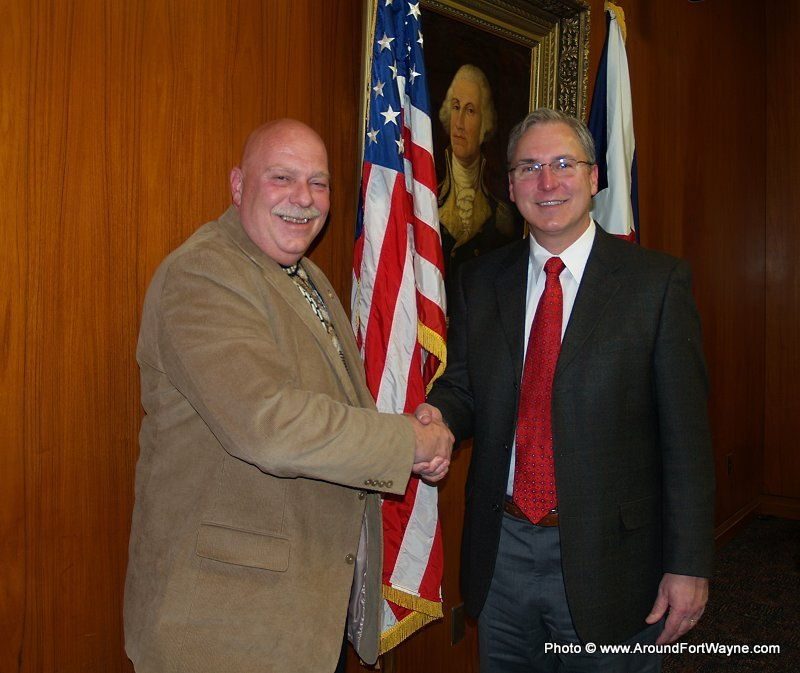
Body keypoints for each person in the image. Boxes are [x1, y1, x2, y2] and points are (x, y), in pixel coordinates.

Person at [124, 119, 453, 673]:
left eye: (318, 183)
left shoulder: (305, 276)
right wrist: (407, 443)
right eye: (282, 177)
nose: (304, 198)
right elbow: (269, 425)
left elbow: (334, 409)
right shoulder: (203, 275)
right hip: (223, 629)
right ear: (238, 185)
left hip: (297, 616)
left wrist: (409, 430)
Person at [418, 108, 714, 672]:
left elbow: (688, 441)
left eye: (563, 164)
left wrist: (689, 563)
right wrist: (440, 417)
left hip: (613, 558)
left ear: (593, 177)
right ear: (510, 187)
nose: (547, 182)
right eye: (528, 168)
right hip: (502, 549)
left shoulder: (655, 285)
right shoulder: (480, 279)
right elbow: (467, 387)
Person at [437, 64, 519, 278]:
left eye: (470, 110)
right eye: (456, 107)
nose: (459, 123)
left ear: (485, 123)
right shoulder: (426, 201)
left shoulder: (501, 217)